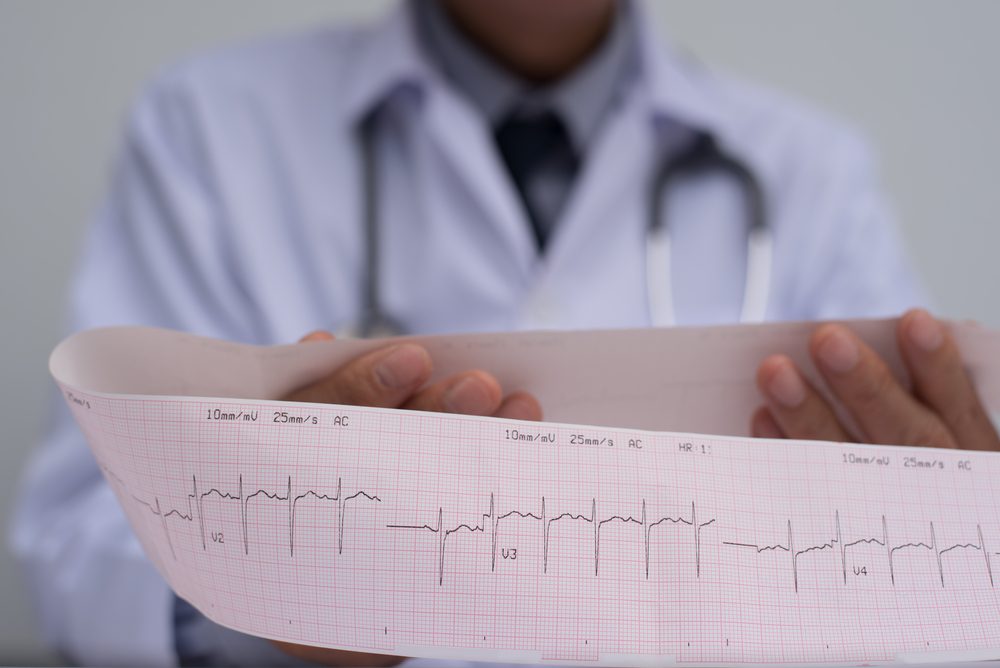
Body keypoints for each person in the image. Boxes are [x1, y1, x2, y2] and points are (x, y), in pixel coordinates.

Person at [11, 0, 999, 666]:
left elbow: (918, 578)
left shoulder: (810, 171)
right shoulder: (208, 131)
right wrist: (262, 606)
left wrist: (959, 542)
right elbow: (73, 543)